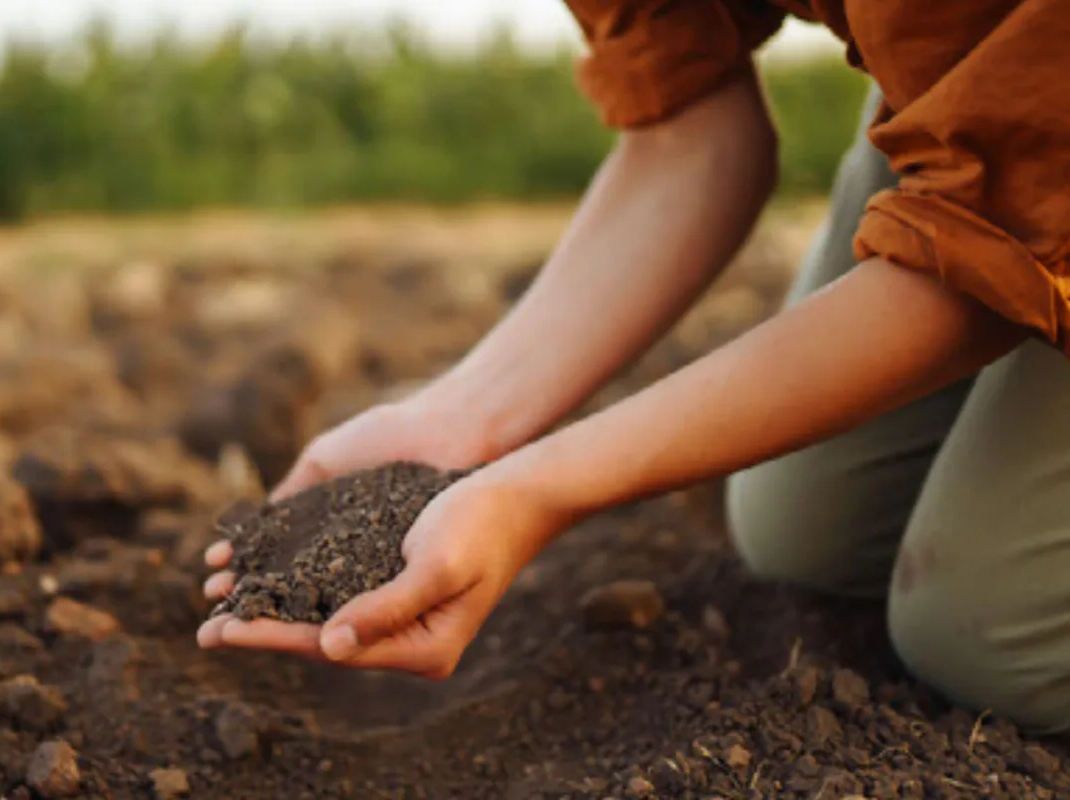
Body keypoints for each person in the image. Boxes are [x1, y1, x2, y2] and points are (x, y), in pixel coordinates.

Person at [199, 1, 1070, 732]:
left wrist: (539, 490)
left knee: (988, 637)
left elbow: (975, 260)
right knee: (801, 527)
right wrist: (464, 422)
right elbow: (686, 137)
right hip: (984, 104)